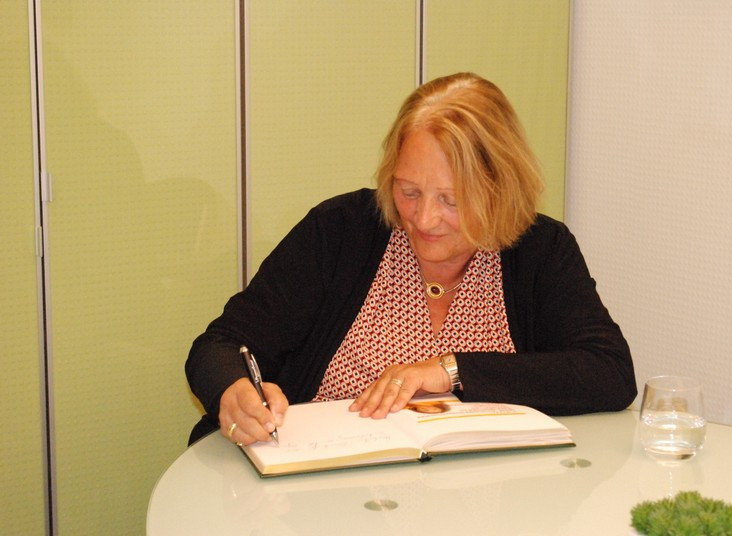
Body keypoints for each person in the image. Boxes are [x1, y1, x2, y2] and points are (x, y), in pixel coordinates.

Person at [185, 72, 636, 446]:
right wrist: (233, 390)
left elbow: (609, 372)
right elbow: (219, 345)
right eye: (409, 191)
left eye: (451, 200)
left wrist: (450, 370)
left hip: (491, 501)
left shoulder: (540, 249)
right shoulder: (340, 232)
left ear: (500, 189)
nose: (424, 218)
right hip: (328, 493)